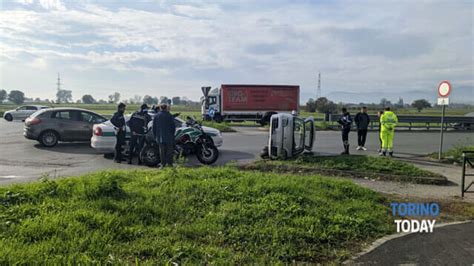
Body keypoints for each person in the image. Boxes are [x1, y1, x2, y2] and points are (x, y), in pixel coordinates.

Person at [153, 103, 176, 167]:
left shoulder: (156, 116)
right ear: (166, 108)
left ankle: (163, 164)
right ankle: (170, 164)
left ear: (160, 108)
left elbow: (153, 128)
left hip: (160, 137)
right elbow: (173, 127)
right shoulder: (170, 115)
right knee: (169, 151)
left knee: (162, 151)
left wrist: (155, 136)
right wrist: (172, 134)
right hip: (169, 137)